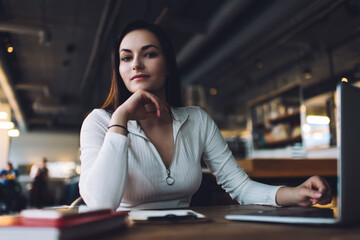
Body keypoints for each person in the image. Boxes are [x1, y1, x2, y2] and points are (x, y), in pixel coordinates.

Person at [79, 20, 332, 210]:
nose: (136, 64)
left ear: (168, 66)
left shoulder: (196, 120)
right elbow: (101, 204)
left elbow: (241, 187)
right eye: (126, 58)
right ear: (119, 71)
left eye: (149, 53)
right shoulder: (99, 123)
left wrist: (296, 193)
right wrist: (121, 118)